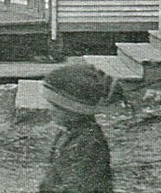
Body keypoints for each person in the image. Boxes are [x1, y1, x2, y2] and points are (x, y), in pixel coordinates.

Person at [38, 62, 117, 193]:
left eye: (56, 106)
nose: (49, 110)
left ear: (74, 110)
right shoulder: (68, 133)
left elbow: (80, 186)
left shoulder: (88, 142)